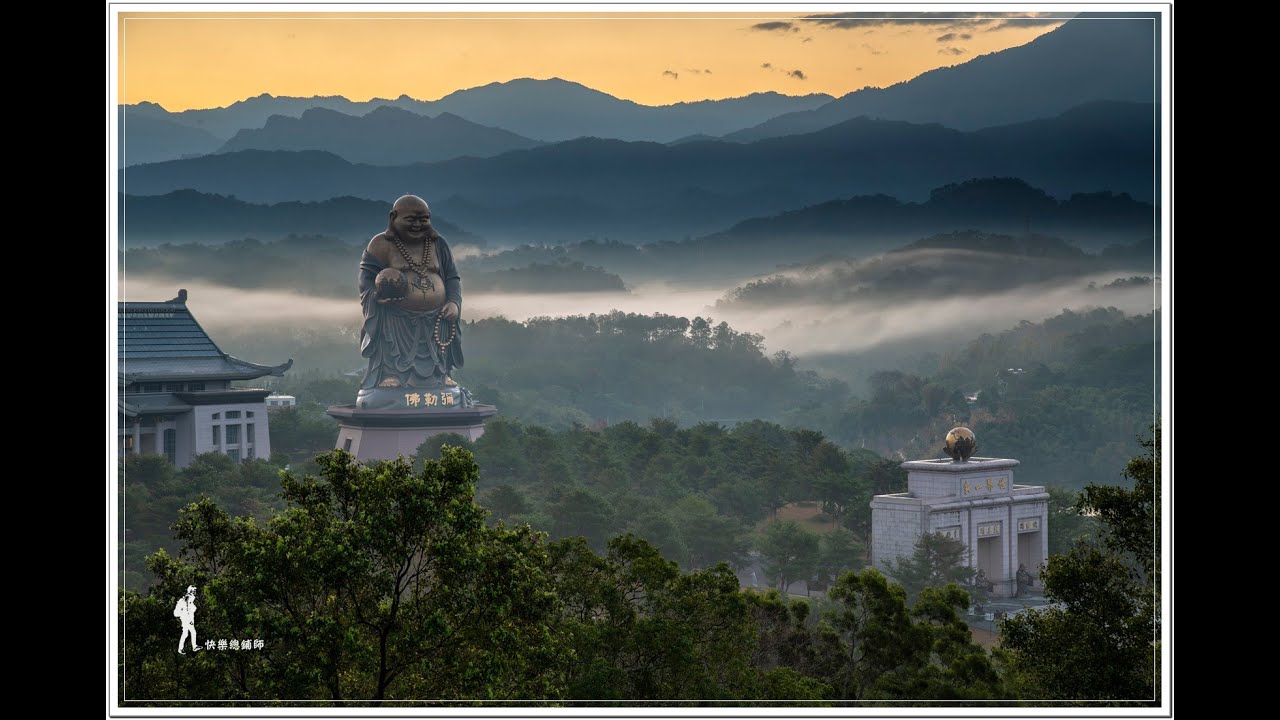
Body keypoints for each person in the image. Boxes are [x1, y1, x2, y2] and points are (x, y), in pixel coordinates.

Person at [358, 195, 464, 392]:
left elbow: (452, 277)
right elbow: (366, 280)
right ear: (393, 217)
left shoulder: (437, 243)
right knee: (391, 341)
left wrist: (454, 302)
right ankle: (390, 373)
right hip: (396, 314)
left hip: (436, 315)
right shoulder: (380, 244)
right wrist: (377, 296)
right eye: (411, 219)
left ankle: (441, 372)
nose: (417, 225)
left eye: (423, 219)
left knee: (438, 347)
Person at [174, 585, 199, 654]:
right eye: (194, 590)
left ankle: (180, 649)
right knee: (193, 632)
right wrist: (190, 620)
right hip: (187, 619)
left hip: (185, 619)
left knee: (185, 634)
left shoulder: (187, 598)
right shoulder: (189, 598)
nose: (195, 592)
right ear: (191, 591)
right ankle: (194, 646)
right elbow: (187, 609)